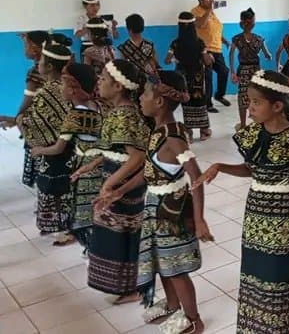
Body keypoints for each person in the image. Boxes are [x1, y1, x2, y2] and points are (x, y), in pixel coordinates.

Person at [193, 70, 289, 333]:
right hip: (256, 213)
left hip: (285, 217)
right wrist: (220, 166)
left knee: (280, 273)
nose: (250, 108)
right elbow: (252, 170)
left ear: (277, 106)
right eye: (249, 101)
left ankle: (285, 328)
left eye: (256, 102)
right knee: (256, 271)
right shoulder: (253, 134)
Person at [99, 71, 213, 333]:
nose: (140, 98)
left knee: (176, 267)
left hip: (170, 211)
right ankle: (172, 305)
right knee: (162, 261)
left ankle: (193, 319)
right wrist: (120, 191)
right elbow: (150, 169)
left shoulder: (173, 138)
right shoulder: (158, 131)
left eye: (145, 93)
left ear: (159, 101)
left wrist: (199, 219)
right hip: (155, 205)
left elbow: (196, 176)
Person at [73, 59, 149, 304]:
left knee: (122, 235)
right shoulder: (117, 112)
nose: (99, 82)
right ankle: (126, 285)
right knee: (117, 234)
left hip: (123, 185)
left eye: (104, 79)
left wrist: (110, 184)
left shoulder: (124, 116)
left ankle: (132, 288)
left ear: (118, 86)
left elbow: (137, 157)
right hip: (117, 180)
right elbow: (116, 150)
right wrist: (92, 165)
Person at [31, 64, 102, 250]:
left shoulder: (75, 116)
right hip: (101, 164)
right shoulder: (99, 106)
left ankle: (90, 250)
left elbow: (58, 148)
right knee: (97, 210)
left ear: (73, 89)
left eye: (63, 84)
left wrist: (39, 150)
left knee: (84, 213)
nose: (60, 88)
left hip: (85, 168)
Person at [17, 43, 74, 242]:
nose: (38, 64)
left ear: (49, 66)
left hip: (52, 150)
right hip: (69, 147)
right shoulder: (66, 88)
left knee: (51, 188)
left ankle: (60, 228)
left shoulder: (45, 93)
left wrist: (19, 121)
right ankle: (64, 227)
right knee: (64, 188)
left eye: (41, 60)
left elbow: (33, 123)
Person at [0, 31, 50, 187]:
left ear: (35, 48)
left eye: (25, 45)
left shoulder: (35, 72)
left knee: (41, 172)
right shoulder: (56, 69)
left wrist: (15, 119)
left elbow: (27, 104)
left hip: (40, 131)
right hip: (52, 128)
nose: (24, 49)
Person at [166, 12, 213, 141]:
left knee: (186, 102)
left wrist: (176, 60)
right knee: (200, 101)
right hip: (198, 78)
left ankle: (189, 132)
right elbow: (207, 61)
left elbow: (167, 60)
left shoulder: (175, 44)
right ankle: (204, 131)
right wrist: (209, 56)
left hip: (182, 77)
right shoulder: (199, 43)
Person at [229, 8, 271, 129]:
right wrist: (268, 56)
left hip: (243, 71)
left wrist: (232, 71)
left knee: (243, 96)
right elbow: (267, 55)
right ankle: (259, 122)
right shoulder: (259, 39)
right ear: (252, 23)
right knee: (257, 96)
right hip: (256, 71)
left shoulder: (236, 39)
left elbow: (231, 54)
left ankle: (243, 124)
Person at [192, 0, 230, 112]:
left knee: (224, 71)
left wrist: (224, 40)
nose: (212, 0)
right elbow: (200, 25)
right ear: (201, 0)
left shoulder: (212, 13)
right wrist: (209, 10)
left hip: (217, 49)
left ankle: (219, 95)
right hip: (204, 50)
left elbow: (214, 30)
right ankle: (208, 103)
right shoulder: (195, 11)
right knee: (207, 77)